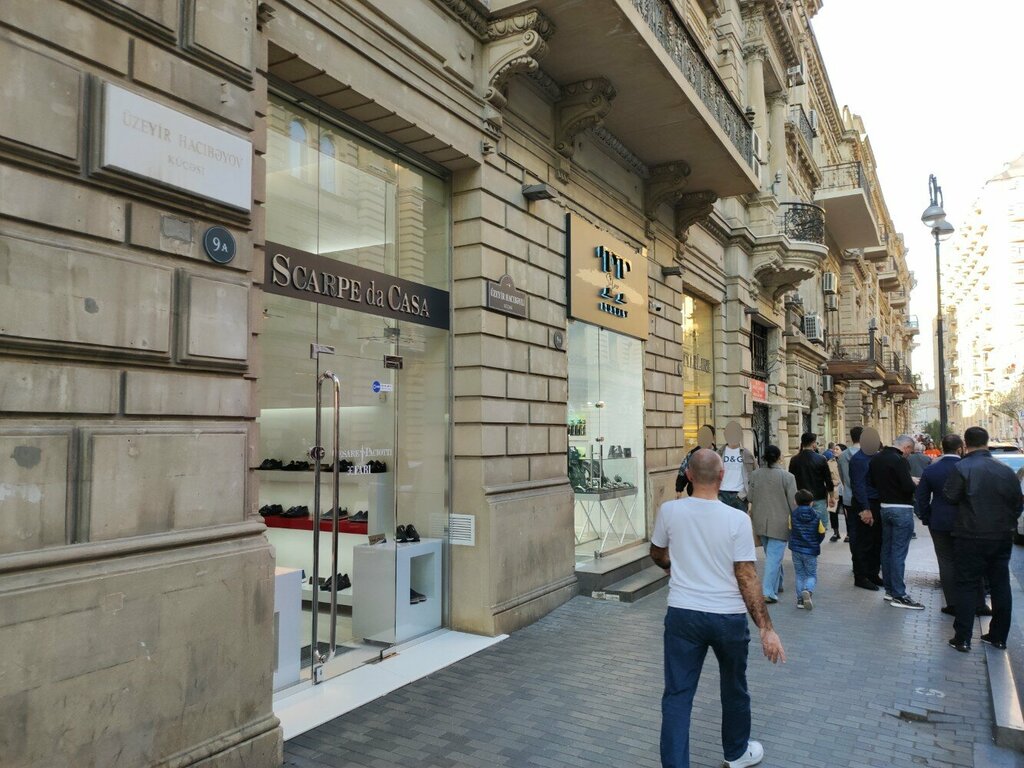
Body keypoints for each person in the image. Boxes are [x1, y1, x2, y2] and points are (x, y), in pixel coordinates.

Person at [651, 449, 786, 768]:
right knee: (734, 686)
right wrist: (766, 628)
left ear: (689, 476)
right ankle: (736, 752)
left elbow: (657, 553)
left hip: (683, 614)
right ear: (722, 477)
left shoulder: (669, 511)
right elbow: (746, 576)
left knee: (677, 695)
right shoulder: (737, 519)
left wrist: (671, 566)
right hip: (728, 617)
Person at [943, 427, 1024, 652]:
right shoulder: (1005, 470)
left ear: (965, 444)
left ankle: (963, 638)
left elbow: (950, 496)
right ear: (986, 442)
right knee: (1000, 585)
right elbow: (1018, 504)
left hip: (970, 535)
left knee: (967, 585)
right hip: (1001, 535)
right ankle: (998, 637)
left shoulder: (962, 467)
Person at [914, 433, 988, 617]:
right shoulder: (968, 467)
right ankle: (979, 603)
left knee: (946, 562)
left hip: (940, 522)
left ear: (942, 447)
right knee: (972, 561)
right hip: (967, 522)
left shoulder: (932, 470)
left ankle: (953, 604)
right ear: (960, 448)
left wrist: (927, 517)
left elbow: (921, 498)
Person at [868, 434, 925, 609]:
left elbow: (872, 482)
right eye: (910, 451)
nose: (909, 454)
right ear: (906, 447)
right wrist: (913, 482)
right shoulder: (899, 460)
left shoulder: (876, 458)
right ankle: (899, 594)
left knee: (887, 550)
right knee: (898, 552)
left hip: (884, 507)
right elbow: (907, 487)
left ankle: (890, 590)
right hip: (902, 508)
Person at [747, 445, 797, 604]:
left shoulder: (755, 475)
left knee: (772, 556)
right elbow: (793, 503)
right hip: (780, 522)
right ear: (779, 457)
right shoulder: (788, 477)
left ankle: (779, 583)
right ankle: (768, 591)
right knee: (774, 558)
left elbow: (750, 497)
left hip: (760, 520)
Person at [849, 430, 883, 590]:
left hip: (876, 502)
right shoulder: (859, 459)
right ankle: (861, 576)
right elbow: (858, 485)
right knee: (864, 542)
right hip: (866, 504)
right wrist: (865, 508)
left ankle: (872, 573)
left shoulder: (875, 457)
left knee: (876, 541)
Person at [788, 432, 834, 530]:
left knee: (803, 527)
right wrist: (832, 496)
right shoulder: (821, 459)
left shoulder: (794, 460)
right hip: (818, 497)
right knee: (820, 527)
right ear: (813, 443)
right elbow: (828, 480)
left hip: (801, 498)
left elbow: (791, 480)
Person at [789, 489, 826, 610]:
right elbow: (822, 532)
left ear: (795, 502)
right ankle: (808, 590)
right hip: (811, 550)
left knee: (799, 574)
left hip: (796, 550)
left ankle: (800, 600)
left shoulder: (792, 515)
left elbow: (790, 530)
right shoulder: (817, 515)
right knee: (811, 574)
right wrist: (816, 542)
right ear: (811, 502)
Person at [718, 422, 756, 511]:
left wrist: (745, 494)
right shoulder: (719, 453)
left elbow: (755, 475)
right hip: (722, 494)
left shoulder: (747, 454)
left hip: (740, 496)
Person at [838, 427, 863, 553]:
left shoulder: (842, 456)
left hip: (849, 497)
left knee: (853, 529)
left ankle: (856, 559)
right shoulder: (869, 454)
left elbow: (842, 477)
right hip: (866, 498)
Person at [676, 424, 716, 498]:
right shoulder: (693, 453)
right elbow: (683, 470)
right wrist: (679, 489)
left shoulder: (718, 454)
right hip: (695, 493)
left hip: (713, 494)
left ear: (713, 437)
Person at [825, 449, 844, 542]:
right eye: (834, 449)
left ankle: (849, 533)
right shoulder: (829, 462)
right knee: (833, 512)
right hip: (834, 490)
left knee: (848, 512)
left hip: (845, 490)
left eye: (837, 449)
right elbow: (826, 477)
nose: (834, 450)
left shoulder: (847, 460)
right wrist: (833, 482)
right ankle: (836, 532)